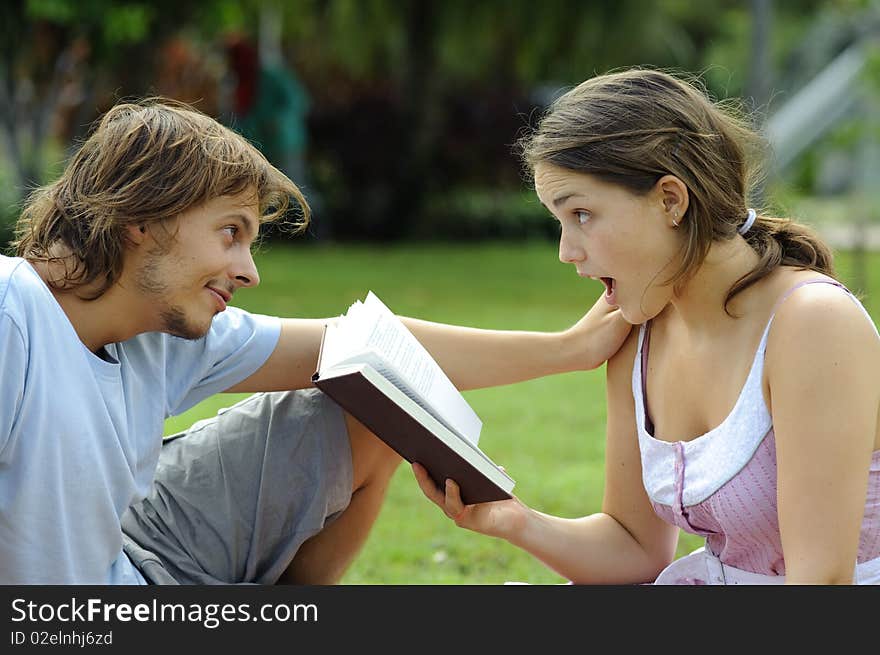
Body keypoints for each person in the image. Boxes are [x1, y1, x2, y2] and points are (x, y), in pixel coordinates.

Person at [0, 98, 630, 585]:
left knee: (379, 395)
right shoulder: (13, 317)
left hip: (134, 556)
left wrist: (569, 349)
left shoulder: (163, 331)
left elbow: (374, 344)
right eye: (230, 232)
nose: (249, 270)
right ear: (142, 217)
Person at [414, 68, 880, 585]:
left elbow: (824, 583)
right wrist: (515, 521)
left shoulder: (813, 325)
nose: (567, 252)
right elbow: (634, 548)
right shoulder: (639, 329)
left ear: (670, 200)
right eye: (560, 221)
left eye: (583, 214)